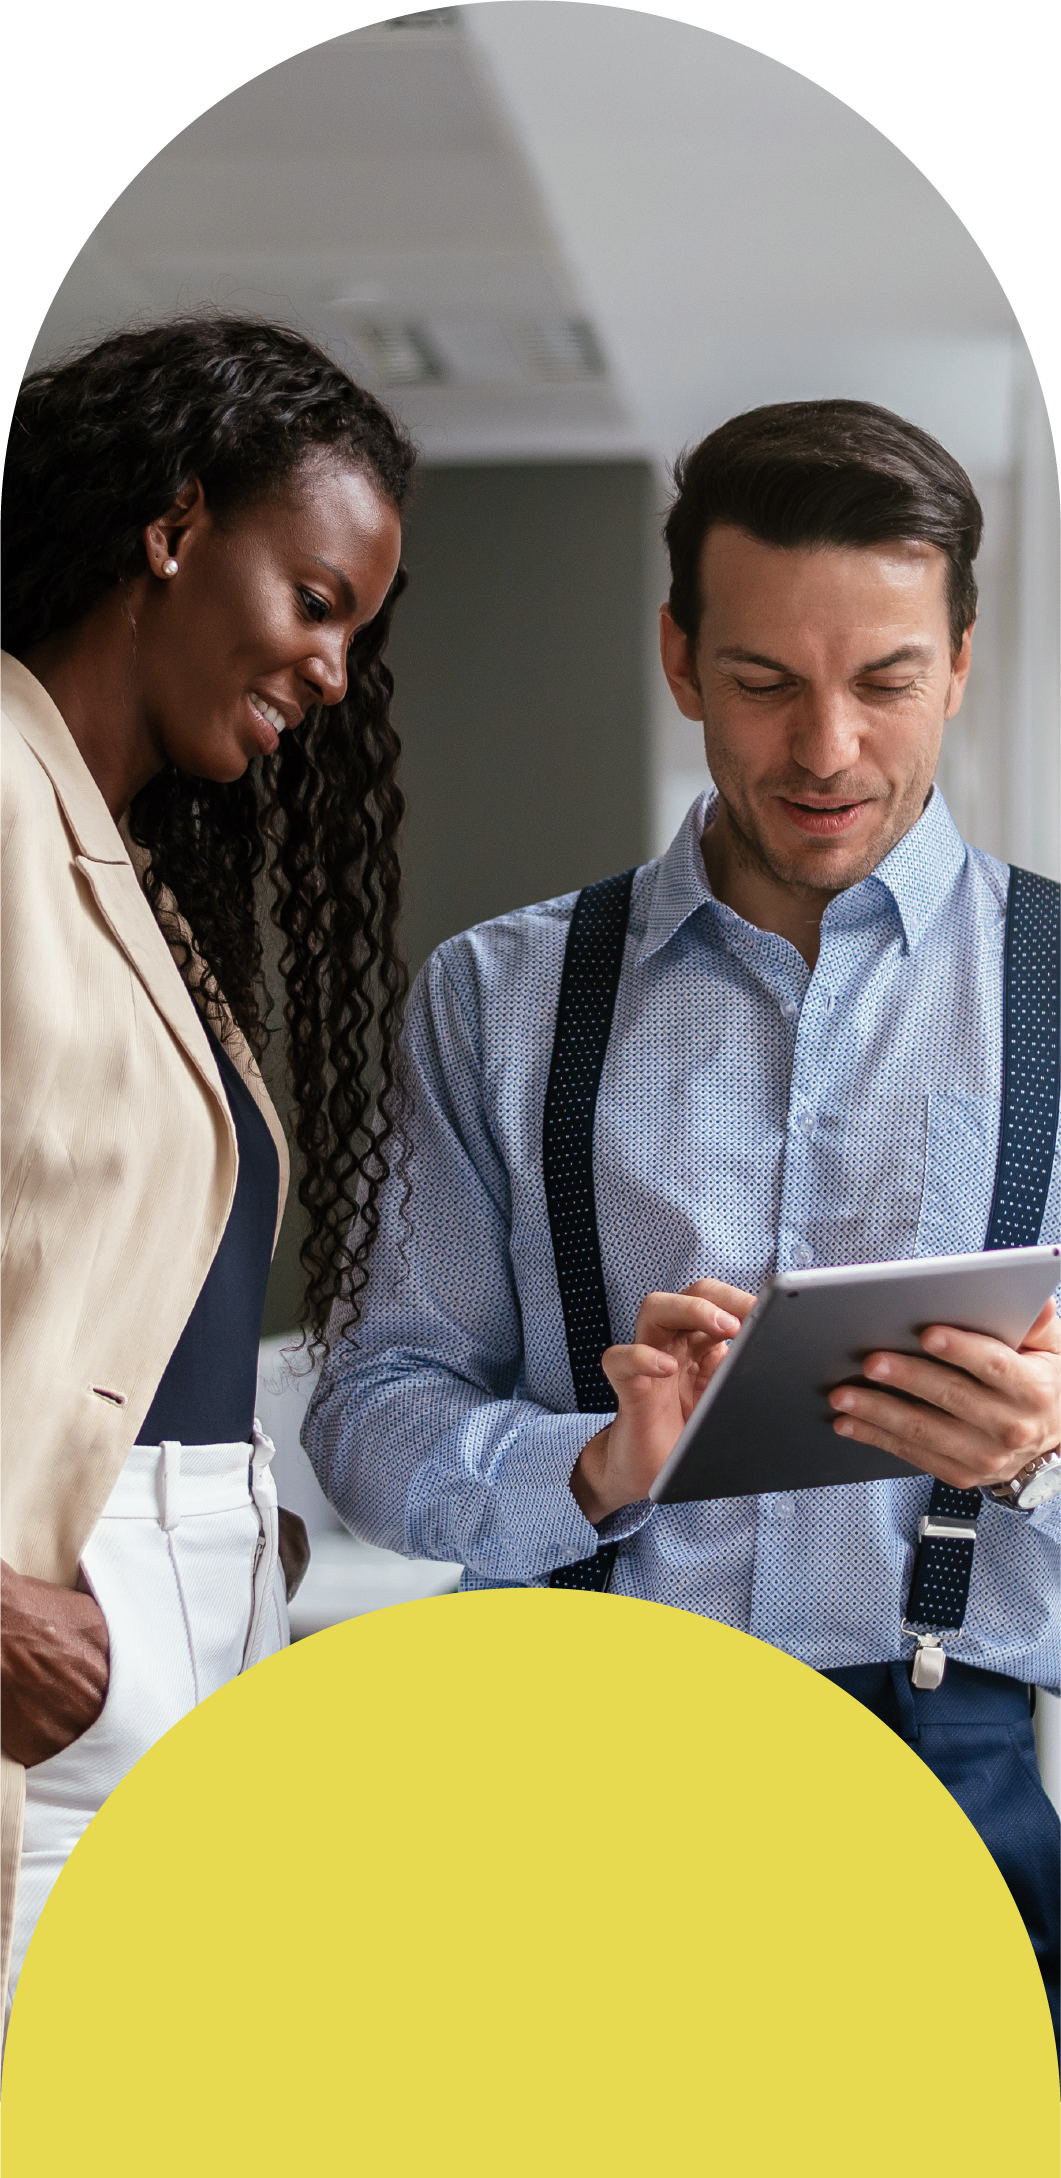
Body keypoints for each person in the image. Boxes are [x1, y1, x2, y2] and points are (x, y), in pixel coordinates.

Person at [306, 397, 1061, 2069]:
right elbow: (371, 1412)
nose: (827, 754)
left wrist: (1036, 1465)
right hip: (598, 1779)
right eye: (764, 683)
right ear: (674, 656)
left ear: (961, 660)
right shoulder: (499, 999)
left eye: (885, 681)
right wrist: (595, 1469)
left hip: (959, 1779)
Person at [0, 314, 414, 2043]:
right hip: (48, 1679)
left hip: (208, 1637)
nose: (332, 673)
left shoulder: (132, 862)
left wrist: (231, 1531)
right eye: (314, 603)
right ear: (173, 530)